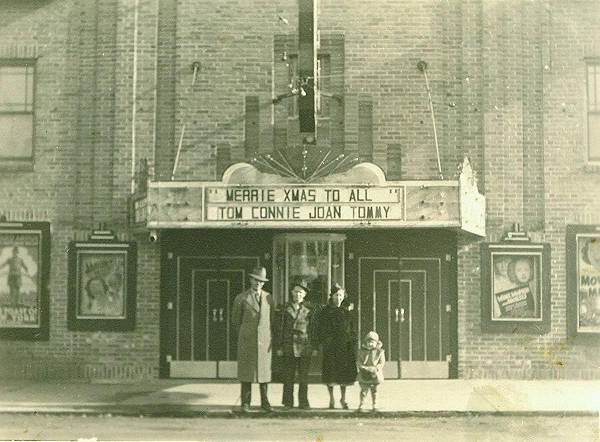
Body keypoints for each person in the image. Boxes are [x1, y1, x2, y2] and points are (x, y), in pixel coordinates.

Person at [231, 266, 274, 412]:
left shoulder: (269, 298)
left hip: (264, 341)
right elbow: (236, 321)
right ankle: (245, 402)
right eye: (256, 280)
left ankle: (265, 402)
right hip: (247, 341)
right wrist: (245, 334)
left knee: (264, 373)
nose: (258, 284)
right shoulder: (241, 298)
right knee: (247, 372)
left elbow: (271, 320)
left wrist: (267, 336)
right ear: (250, 280)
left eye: (261, 281)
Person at [275, 280, 318, 410]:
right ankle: (288, 403)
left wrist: (314, 346)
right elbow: (279, 329)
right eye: (295, 292)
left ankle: (303, 402)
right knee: (288, 376)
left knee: (303, 377)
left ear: (304, 294)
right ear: (292, 293)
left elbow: (313, 329)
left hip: (304, 346)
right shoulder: (284, 309)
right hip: (289, 345)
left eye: (300, 292)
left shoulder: (310, 310)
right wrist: (279, 347)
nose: (297, 295)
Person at [316, 282, 357, 409]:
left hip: (345, 347)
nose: (338, 298)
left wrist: (353, 343)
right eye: (336, 295)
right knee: (331, 374)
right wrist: (324, 342)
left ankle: (343, 399)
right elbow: (321, 329)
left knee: (344, 374)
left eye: (340, 295)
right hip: (331, 347)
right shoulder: (325, 311)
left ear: (344, 296)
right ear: (332, 296)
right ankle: (332, 399)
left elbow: (352, 329)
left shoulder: (347, 312)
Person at [356, 331, 385, 412]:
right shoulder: (362, 351)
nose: (370, 344)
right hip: (364, 372)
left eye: (372, 342)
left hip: (374, 373)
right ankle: (361, 404)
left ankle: (375, 404)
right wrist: (362, 367)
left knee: (374, 390)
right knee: (363, 390)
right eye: (368, 342)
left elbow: (382, 362)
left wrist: (376, 368)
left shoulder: (379, 352)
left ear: (376, 343)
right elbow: (359, 361)